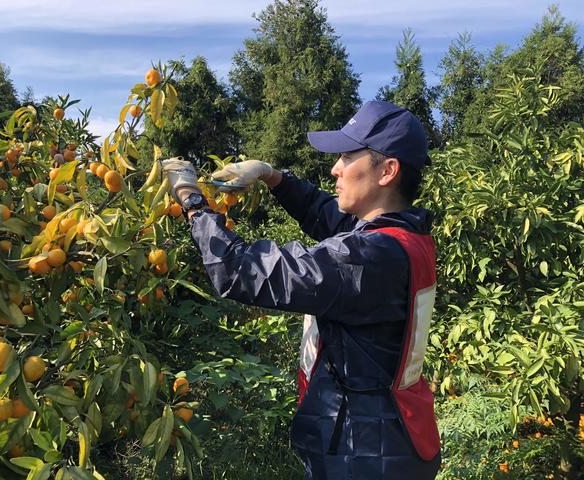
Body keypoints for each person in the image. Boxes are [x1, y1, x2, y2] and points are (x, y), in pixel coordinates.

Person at [163, 100, 442, 479]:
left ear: (387, 170)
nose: (335, 169)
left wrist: (193, 204)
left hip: (364, 455)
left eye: (346, 157)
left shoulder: (370, 256)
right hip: (387, 434)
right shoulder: (403, 236)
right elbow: (328, 216)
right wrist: (273, 176)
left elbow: (241, 270)